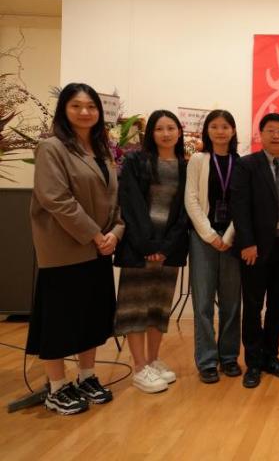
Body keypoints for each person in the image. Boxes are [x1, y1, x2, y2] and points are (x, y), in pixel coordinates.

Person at [27, 83, 124, 415]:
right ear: (64, 111)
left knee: (91, 317)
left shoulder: (103, 151)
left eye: (91, 106)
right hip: (65, 249)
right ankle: (56, 387)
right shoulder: (51, 148)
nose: (85, 112)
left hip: (98, 249)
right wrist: (96, 235)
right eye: (76, 106)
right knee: (59, 320)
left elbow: (115, 201)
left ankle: (86, 376)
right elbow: (56, 199)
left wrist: (115, 233)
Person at [113, 110, 189, 393]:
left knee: (158, 307)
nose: (166, 134)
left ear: (179, 132)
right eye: (159, 128)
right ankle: (139, 367)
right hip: (138, 246)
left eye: (171, 128)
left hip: (169, 249)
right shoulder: (136, 161)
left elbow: (185, 212)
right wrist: (147, 245)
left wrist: (165, 247)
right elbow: (130, 204)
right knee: (135, 307)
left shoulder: (185, 166)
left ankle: (153, 360)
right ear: (150, 133)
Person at [231, 112, 279, 389]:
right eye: (270, 131)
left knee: (278, 306)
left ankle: (271, 357)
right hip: (256, 248)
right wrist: (247, 243)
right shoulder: (247, 165)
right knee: (253, 306)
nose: (276, 135)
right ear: (260, 135)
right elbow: (239, 206)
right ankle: (253, 362)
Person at [185, 110, 242, 384]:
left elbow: (243, 204)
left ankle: (229, 357)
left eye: (225, 126)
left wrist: (228, 236)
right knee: (203, 303)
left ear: (233, 131)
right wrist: (209, 235)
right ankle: (207, 360)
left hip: (232, 238)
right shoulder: (198, 159)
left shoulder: (240, 162)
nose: (220, 131)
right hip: (202, 238)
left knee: (231, 302)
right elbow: (191, 199)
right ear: (207, 131)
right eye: (215, 126)